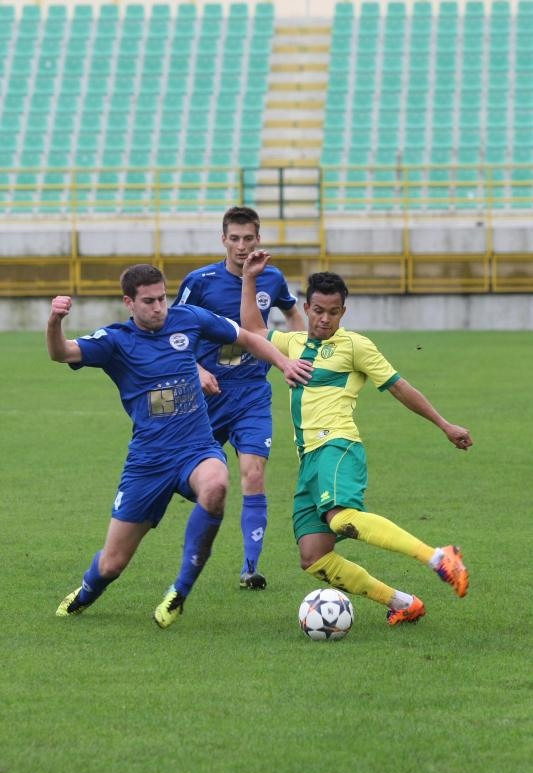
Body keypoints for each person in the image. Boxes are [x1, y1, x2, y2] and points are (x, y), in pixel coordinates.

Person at [48, 263, 312, 629]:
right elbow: (61, 353)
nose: (159, 307)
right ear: (129, 302)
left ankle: (179, 591)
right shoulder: (115, 341)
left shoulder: (188, 318)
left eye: (162, 298)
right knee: (112, 563)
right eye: (149, 301)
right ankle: (85, 592)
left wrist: (283, 363)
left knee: (217, 484)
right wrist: (54, 321)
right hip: (148, 462)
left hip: (196, 449)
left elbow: (248, 337)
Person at [240, 254, 473, 625]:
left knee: (340, 517)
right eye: (318, 310)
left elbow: (401, 388)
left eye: (333, 312)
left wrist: (444, 425)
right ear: (307, 308)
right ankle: (402, 602)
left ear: (343, 312)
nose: (325, 319)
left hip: (339, 445)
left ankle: (438, 556)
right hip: (309, 459)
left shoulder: (355, 346)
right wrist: (249, 279)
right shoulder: (294, 343)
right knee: (314, 557)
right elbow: (252, 329)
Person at [173, 206, 305, 590]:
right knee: (190, 479)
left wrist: (297, 352)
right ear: (223, 239)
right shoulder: (200, 281)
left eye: (249, 238)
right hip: (206, 397)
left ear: (258, 238)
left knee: (254, 473)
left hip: (251, 393)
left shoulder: (273, 277)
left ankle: (250, 567)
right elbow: (174, 335)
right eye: (235, 238)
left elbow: (293, 313)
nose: (242, 246)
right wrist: (197, 370)